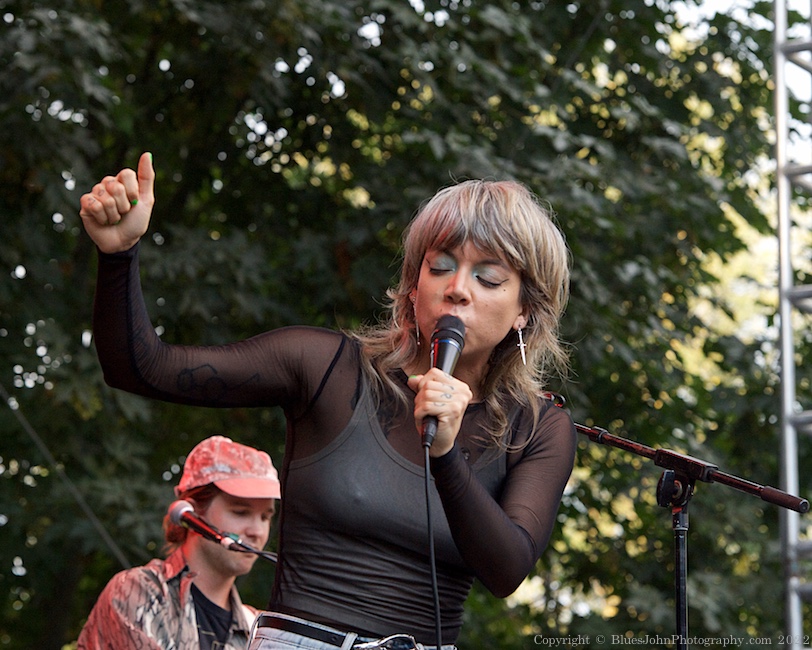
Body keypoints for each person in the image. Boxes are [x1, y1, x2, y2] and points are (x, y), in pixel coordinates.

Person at [78, 152, 577, 649]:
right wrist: (119, 255)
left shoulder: (537, 426)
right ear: (413, 286)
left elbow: (506, 570)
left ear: (525, 312)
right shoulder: (326, 368)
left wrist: (445, 456)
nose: (457, 289)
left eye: (488, 278)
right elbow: (141, 368)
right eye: (440, 267)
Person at [77, 435, 281, 650]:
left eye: (265, 517)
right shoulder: (137, 593)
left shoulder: (257, 630)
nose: (257, 531)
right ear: (191, 515)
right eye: (241, 512)